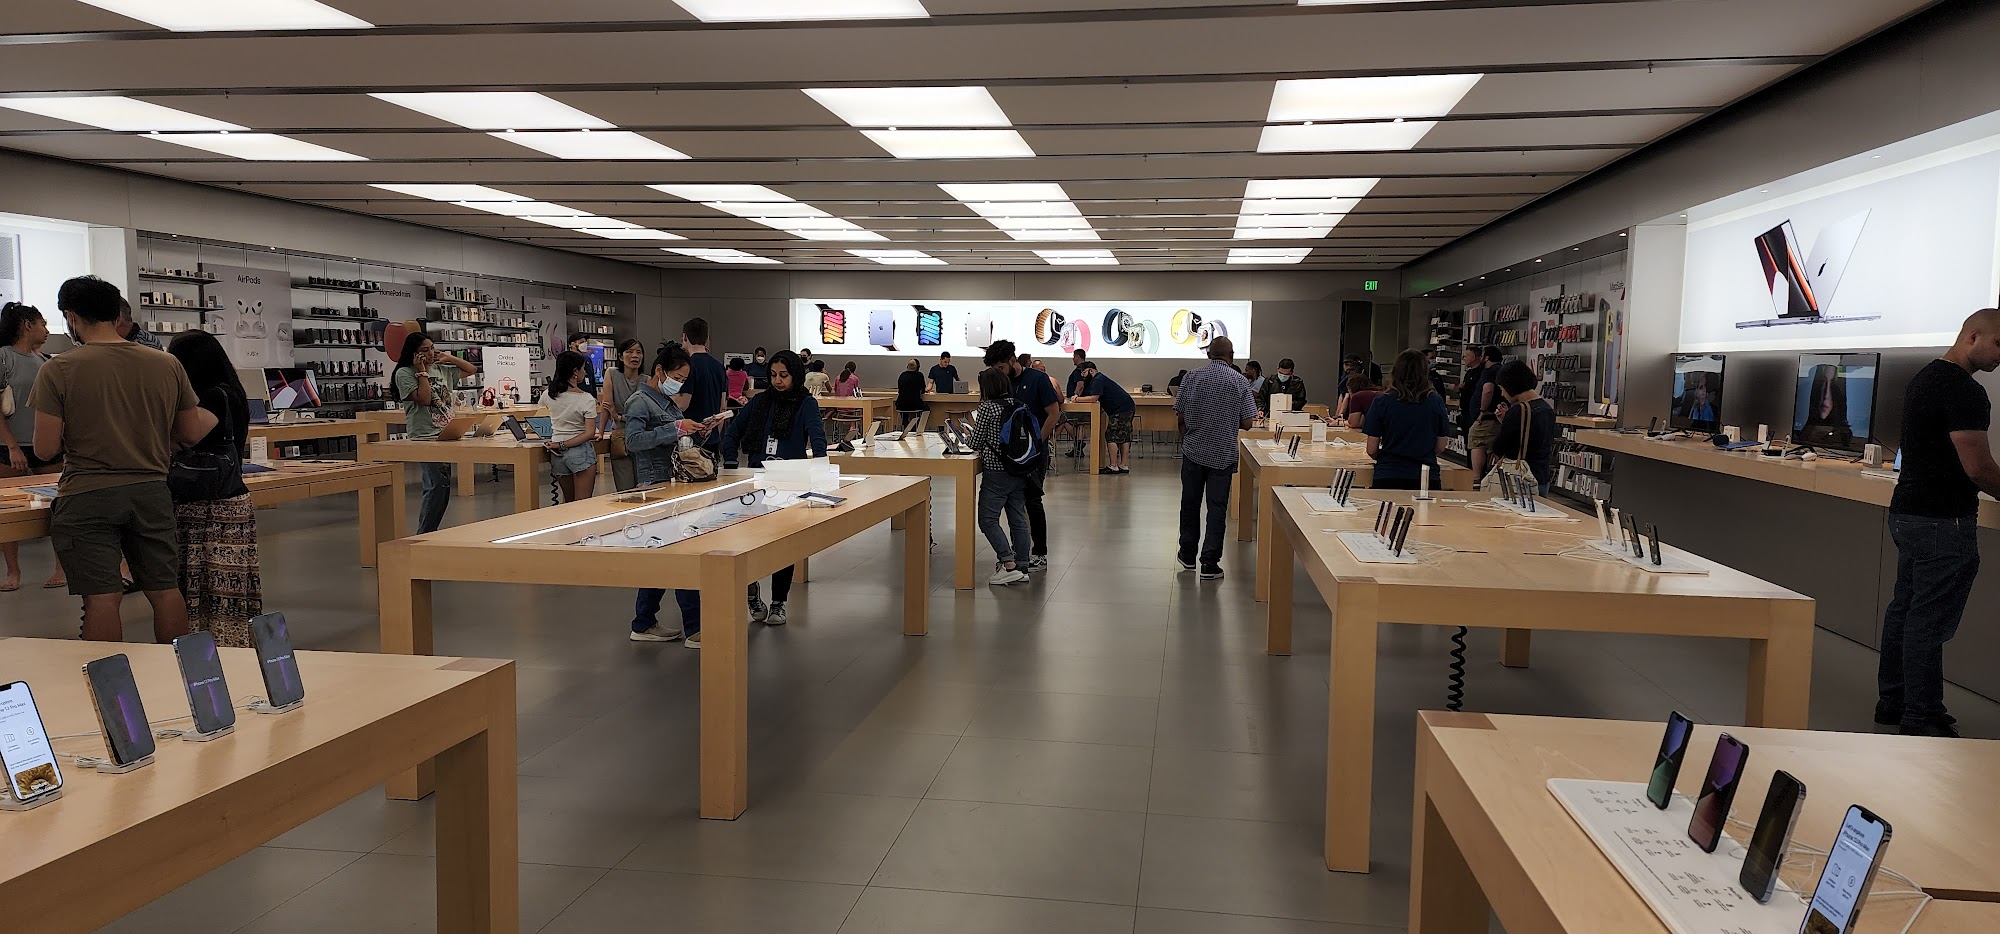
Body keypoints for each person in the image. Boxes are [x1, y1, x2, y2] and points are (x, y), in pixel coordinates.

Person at [30, 276, 215, 642]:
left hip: (87, 494)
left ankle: (109, 676)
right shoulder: (166, 364)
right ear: (117, 315)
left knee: (102, 597)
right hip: (151, 491)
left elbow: (44, 449)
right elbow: (191, 433)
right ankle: (178, 669)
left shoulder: (58, 369)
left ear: (71, 317)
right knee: (165, 590)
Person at [1878, 308, 2000, 738]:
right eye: (1999, 344)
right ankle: (1922, 715)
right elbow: (1979, 468)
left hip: (1907, 513)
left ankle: (1893, 702)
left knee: (1905, 611)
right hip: (1942, 521)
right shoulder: (1965, 391)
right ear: (1973, 336)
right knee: (1928, 621)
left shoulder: (1925, 377)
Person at [165, 330, 262, 647]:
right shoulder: (230, 392)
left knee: (211, 583)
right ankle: (226, 644)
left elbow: (189, 436)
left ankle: (215, 648)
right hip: (226, 498)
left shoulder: (214, 397)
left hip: (211, 505)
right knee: (225, 586)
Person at [721, 350, 827, 627]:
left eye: (784, 375)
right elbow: (732, 433)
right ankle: (751, 590)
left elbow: (817, 437)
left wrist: (821, 471)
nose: (777, 381)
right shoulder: (759, 402)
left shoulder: (806, 403)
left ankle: (779, 601)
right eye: (773, 375)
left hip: (789, 481)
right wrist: (731, 463)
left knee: (784, 545)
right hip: (755, 481)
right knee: (749, 541)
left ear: (795, 375)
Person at [625, 342, 706, 644]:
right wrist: (676, 429)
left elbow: (673, 435)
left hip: (672, 483)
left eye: (683, 380)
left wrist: (693, 430)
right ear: (659, 371)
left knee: (661, 557)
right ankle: (695, 628)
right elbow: (633, 441)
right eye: (677, 377)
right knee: (680, 556)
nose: (679, 384)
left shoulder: (666, 402)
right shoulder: (639, 402)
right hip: (653, 486)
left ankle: (644, 622)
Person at [1173, 336, 1257, 579]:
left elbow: (1180, 414)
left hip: (1193, 451)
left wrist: (1186, 438)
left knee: (1190, 503)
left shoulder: (1191, 377)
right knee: (1217, 508)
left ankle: (1187, 554)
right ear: (1231, 356)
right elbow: (1248, 423)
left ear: (1209, 354)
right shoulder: (1240, 381)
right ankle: (1209, 563)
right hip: (1222, 453)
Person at [391, 331, 478, 534]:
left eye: (432, 348)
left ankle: (429, 531)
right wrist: (422, 372)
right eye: (425, 350)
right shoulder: (404, 373)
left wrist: (450, 358)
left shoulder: (441, 369)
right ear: (414, 353)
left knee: (443, 486)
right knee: (435, 485)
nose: (431, 353)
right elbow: (424, 399)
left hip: (446, 433)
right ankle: (424, 533)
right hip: (425, 435)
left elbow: (471, 369)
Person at [1, 303, 62, 590]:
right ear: (27, 325)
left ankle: (61, 568)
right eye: (42, 324)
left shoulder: (46, 360)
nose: (46, 330)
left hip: (46, 444)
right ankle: (13, 571)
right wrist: (12, 446)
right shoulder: (4, 357)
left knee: (58, 506)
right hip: (11, 445)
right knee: (9, 510)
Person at [989, 344, 1062, 569]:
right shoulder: (1002, 384)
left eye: (1001, 367)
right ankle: (1018, 553)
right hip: (1010, 455)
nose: (999, 373)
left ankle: (1039, 552)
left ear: (1012, 360)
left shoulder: (1038, 379)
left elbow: (1054, 414)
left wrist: (1036, 444)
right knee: (1013, 504)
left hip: (1035, 454)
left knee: (1032, 501)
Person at [969, 366, 1033, 585]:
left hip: (996, 471)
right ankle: (1022, 566)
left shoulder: (987, 407)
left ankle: (1008, 564)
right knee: (1018, 518)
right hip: (1019, 468)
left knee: (987, 519)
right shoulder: (1019, 404)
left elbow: (975, 442)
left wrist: (967, 436)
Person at [1363, 349, 1452, 491]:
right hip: (1425, 476)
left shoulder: (1382, 401)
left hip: (1388, 474)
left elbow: (1371, 449)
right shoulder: (1435, 401)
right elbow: (1440, 447)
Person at [1489, 359, 1556, 495]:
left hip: (1520, 477)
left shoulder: (1518, 410)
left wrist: (1506, 422)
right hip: (1542, 475)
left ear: (1510, 386)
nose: (1502, 394)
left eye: (1502, 389)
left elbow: (1500, 446)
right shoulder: (1546, 408)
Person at [543, 351, 600, 503]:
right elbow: (589, 433)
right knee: (582, 505)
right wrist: (564, 444)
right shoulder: (586, 399)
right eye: (583, 368)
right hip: (580, 452)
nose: (584, 372)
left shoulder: (548, 394)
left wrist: (559, 443)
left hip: (557, 455)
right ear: (575, 371)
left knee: (567, 504)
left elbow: (541, 415)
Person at [1070, 361, 1135, 474]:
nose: (1083, 376)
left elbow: (1094, 398)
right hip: (1127, 406)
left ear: (1090, 370)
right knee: (1124, 436)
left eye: (1084, 373)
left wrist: (1077, 399)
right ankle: (1123, 465)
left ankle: (1113, 466)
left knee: (1111, 436)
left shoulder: (1097, 380)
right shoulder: (1100, 378)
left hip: (1119, 410)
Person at [600, 338, 646, 491]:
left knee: (644, 487)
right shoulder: (612, 373)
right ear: (620, 356)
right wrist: (601, 431)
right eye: (630, 352)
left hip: (642, 436)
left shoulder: (647, 380)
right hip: (620, 436)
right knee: (625, 488)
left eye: (639, 352)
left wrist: (618, 417)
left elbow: (645, 414)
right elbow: (606, 405)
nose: (635, 356)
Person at [1462, 345, 1502, 481]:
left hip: (1486, 417)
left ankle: (1476, 477)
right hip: (1497, 417)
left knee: (1476, 441)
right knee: (1494, 447)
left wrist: (1482, 411)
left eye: (1482, 355)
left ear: (1487, 357)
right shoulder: (1502, 370)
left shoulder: (1489, 371)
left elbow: (1488, 390)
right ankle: (1493, 479)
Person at [678, 318, 727, 427]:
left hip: (692, 432)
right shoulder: (719, 367)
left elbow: (682, 405)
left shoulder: (687, 366)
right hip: (712, 431)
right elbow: (722, 406)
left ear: (685, 337)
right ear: (707, 338)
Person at [1801, 364, 1850, 434]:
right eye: (1822, 383)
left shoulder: (1844, 434)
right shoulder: (1797, 428)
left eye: (1832, 385)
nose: (1826, 395)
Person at [895, 358, 927, 427]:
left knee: (904, 408)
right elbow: (923, 390)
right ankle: (916, 426)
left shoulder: (902, 375)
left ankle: (905, 424)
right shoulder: (919, 375)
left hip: (901, 405)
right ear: (918, 367)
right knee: (926, 409)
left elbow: (899, 389)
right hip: (915, 405)